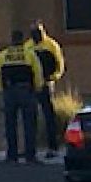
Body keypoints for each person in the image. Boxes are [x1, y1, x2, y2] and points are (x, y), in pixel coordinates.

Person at [0, 29, 46, 164]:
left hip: (9, 92)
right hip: (26, 91)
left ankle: (12, 155)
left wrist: (1, 91)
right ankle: (30, 155)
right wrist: (38, 88)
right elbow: (38, 73)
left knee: (10, 124)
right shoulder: (29, 54)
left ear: (11, 40)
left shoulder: (3, 55)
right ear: (22, 40)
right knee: (29, 124)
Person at [25, 20, 66, 159]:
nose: (37, 36)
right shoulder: (28, 46)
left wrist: (51, 79)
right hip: (31, 87)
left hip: (46, 85)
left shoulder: (51, 45)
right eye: (34, 33)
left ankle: (52, 147)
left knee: (49, 116)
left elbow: (59, 66)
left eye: (39, 32)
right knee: (31, 117)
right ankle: (31, 148)